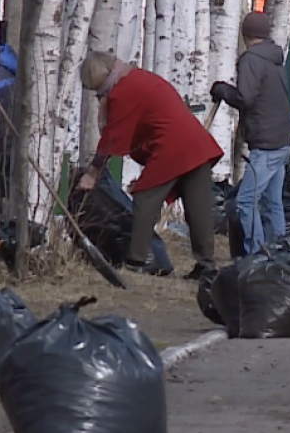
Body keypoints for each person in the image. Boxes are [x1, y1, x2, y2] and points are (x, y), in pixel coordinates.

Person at [77, 52, 222, 279]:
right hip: (196, 143)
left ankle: (136, 260)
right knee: (198, 207)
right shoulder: (139, 78)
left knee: (145, 198)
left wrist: (93, 173)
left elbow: (112, 137)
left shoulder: (123, 91)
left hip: (173, 147)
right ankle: (206, 265)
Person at [209, 11, 290, 255]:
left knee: (246, 201)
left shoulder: (251, 60)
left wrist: (223, 90)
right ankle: (279, 253)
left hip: (266, 143)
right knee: (272, 201)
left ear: (244, 35)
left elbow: (245, 98)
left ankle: (258, 255)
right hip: (282, 140)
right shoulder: (275, 58)